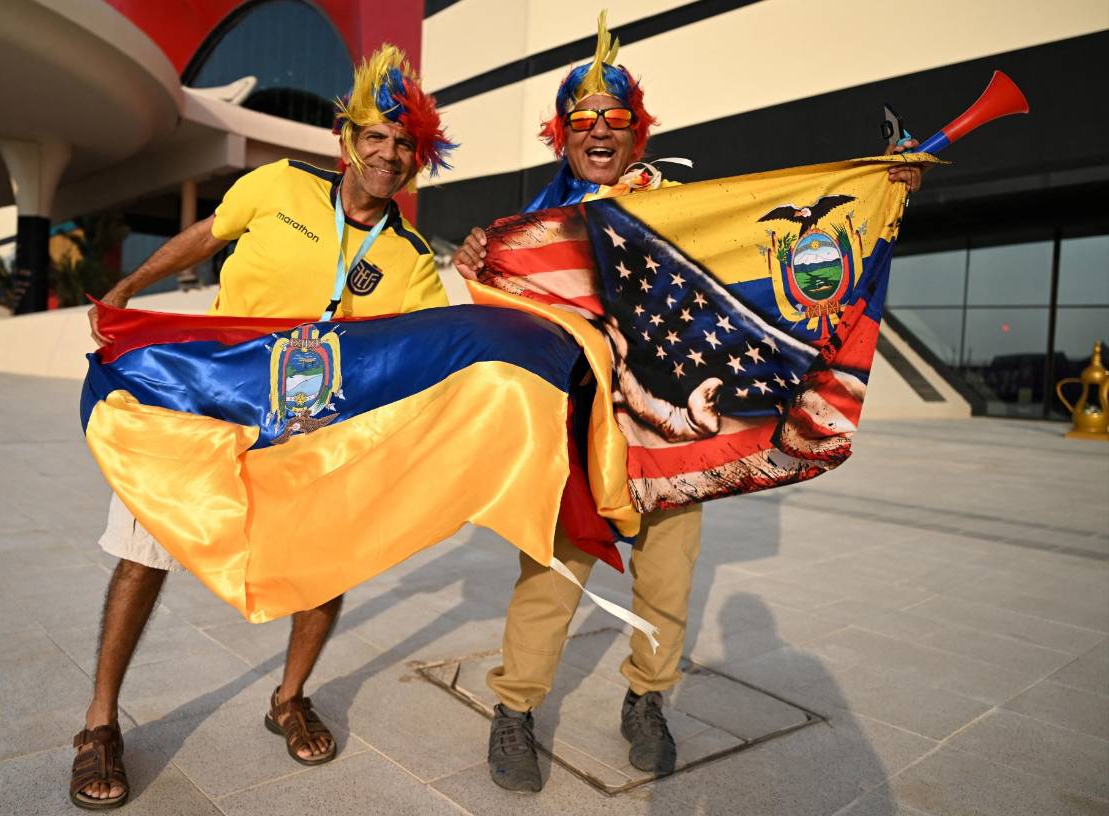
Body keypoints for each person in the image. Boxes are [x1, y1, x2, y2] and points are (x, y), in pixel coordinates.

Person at [453, 14, 922, 793]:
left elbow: (777, 215)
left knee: (668, 582)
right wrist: (479, 260)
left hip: (670, 436)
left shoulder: (684, 202)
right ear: (560, 137)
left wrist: (878, 188)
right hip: (573, 438)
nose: (599, 132)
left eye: (616, 121)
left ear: (639, 135)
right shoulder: (533, 222)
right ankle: (516, 710)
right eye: (582, 123)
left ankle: (646, 698)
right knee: (549, 577)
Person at [70, 45, 455, 810]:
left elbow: (433, 352)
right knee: (143, 553)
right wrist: (127, 285)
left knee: (326, 567)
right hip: (211, 406)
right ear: (348, 139)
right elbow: (208, 235)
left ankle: (288, 698)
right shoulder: (279, 185)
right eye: (375, 135)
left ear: (418, 159)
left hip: (316, 435)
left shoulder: (412, 260)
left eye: (403, 143)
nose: (387, 153)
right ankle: (99, 724)